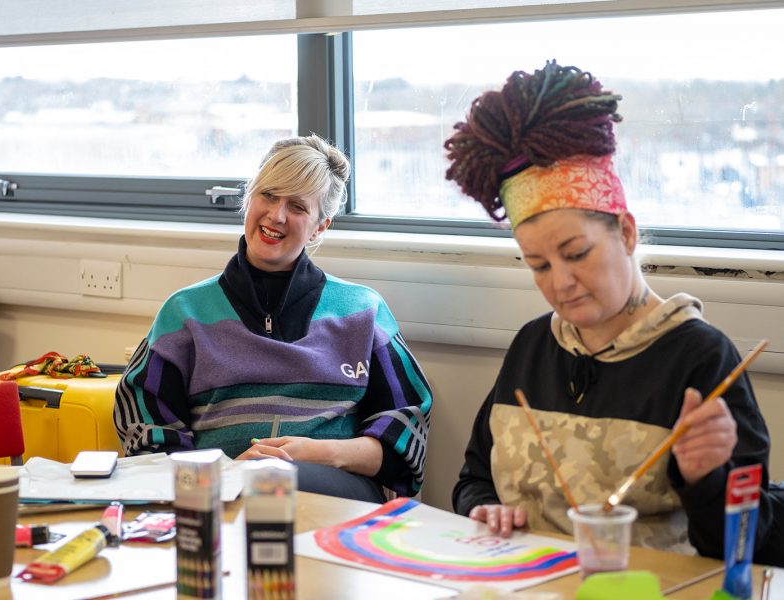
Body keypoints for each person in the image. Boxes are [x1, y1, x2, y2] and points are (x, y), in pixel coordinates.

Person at [445, 60, 781, 563]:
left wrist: (705, 480)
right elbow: (474, 477)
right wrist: (486, 507)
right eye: (537, 264)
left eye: (577, 254)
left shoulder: (700, 357)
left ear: (625, 233)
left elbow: (755, 545)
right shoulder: (533, 345)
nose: (560, 282)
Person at [114, 134, 432, 502]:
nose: (276, 215)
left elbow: (405, 439)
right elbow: (148, 441)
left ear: (320, 226)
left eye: (297, 206)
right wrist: (231, 472)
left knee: (278, 483)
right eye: (268, 195)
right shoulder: (184, 313)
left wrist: (315, 453)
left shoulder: (363, 312)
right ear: (249, 198)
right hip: (217, 496)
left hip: (335, 495)